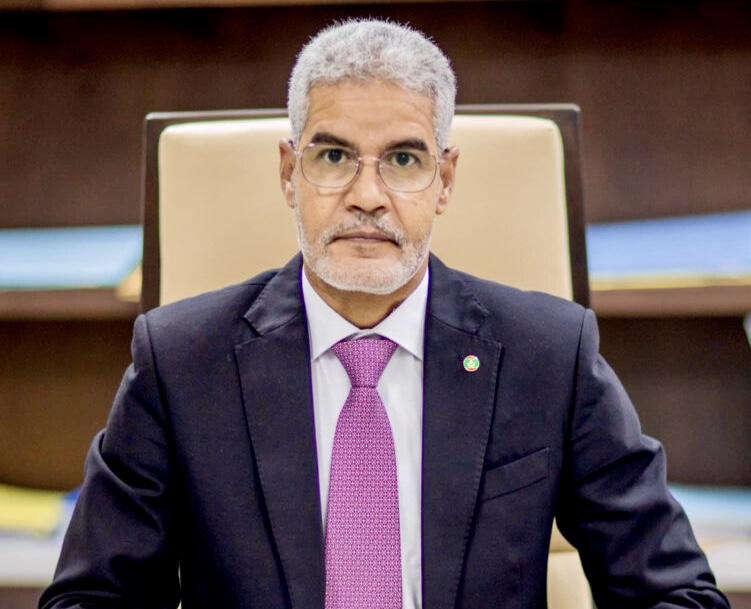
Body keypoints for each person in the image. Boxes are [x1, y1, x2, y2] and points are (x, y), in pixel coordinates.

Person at [40, 18, 728, 609]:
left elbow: (678, 593)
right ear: (288, 172)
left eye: (402, 158)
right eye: (333, 155)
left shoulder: (548, 354)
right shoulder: (181, 362)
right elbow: (88, 597)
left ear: (444, 180)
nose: (366, 195)